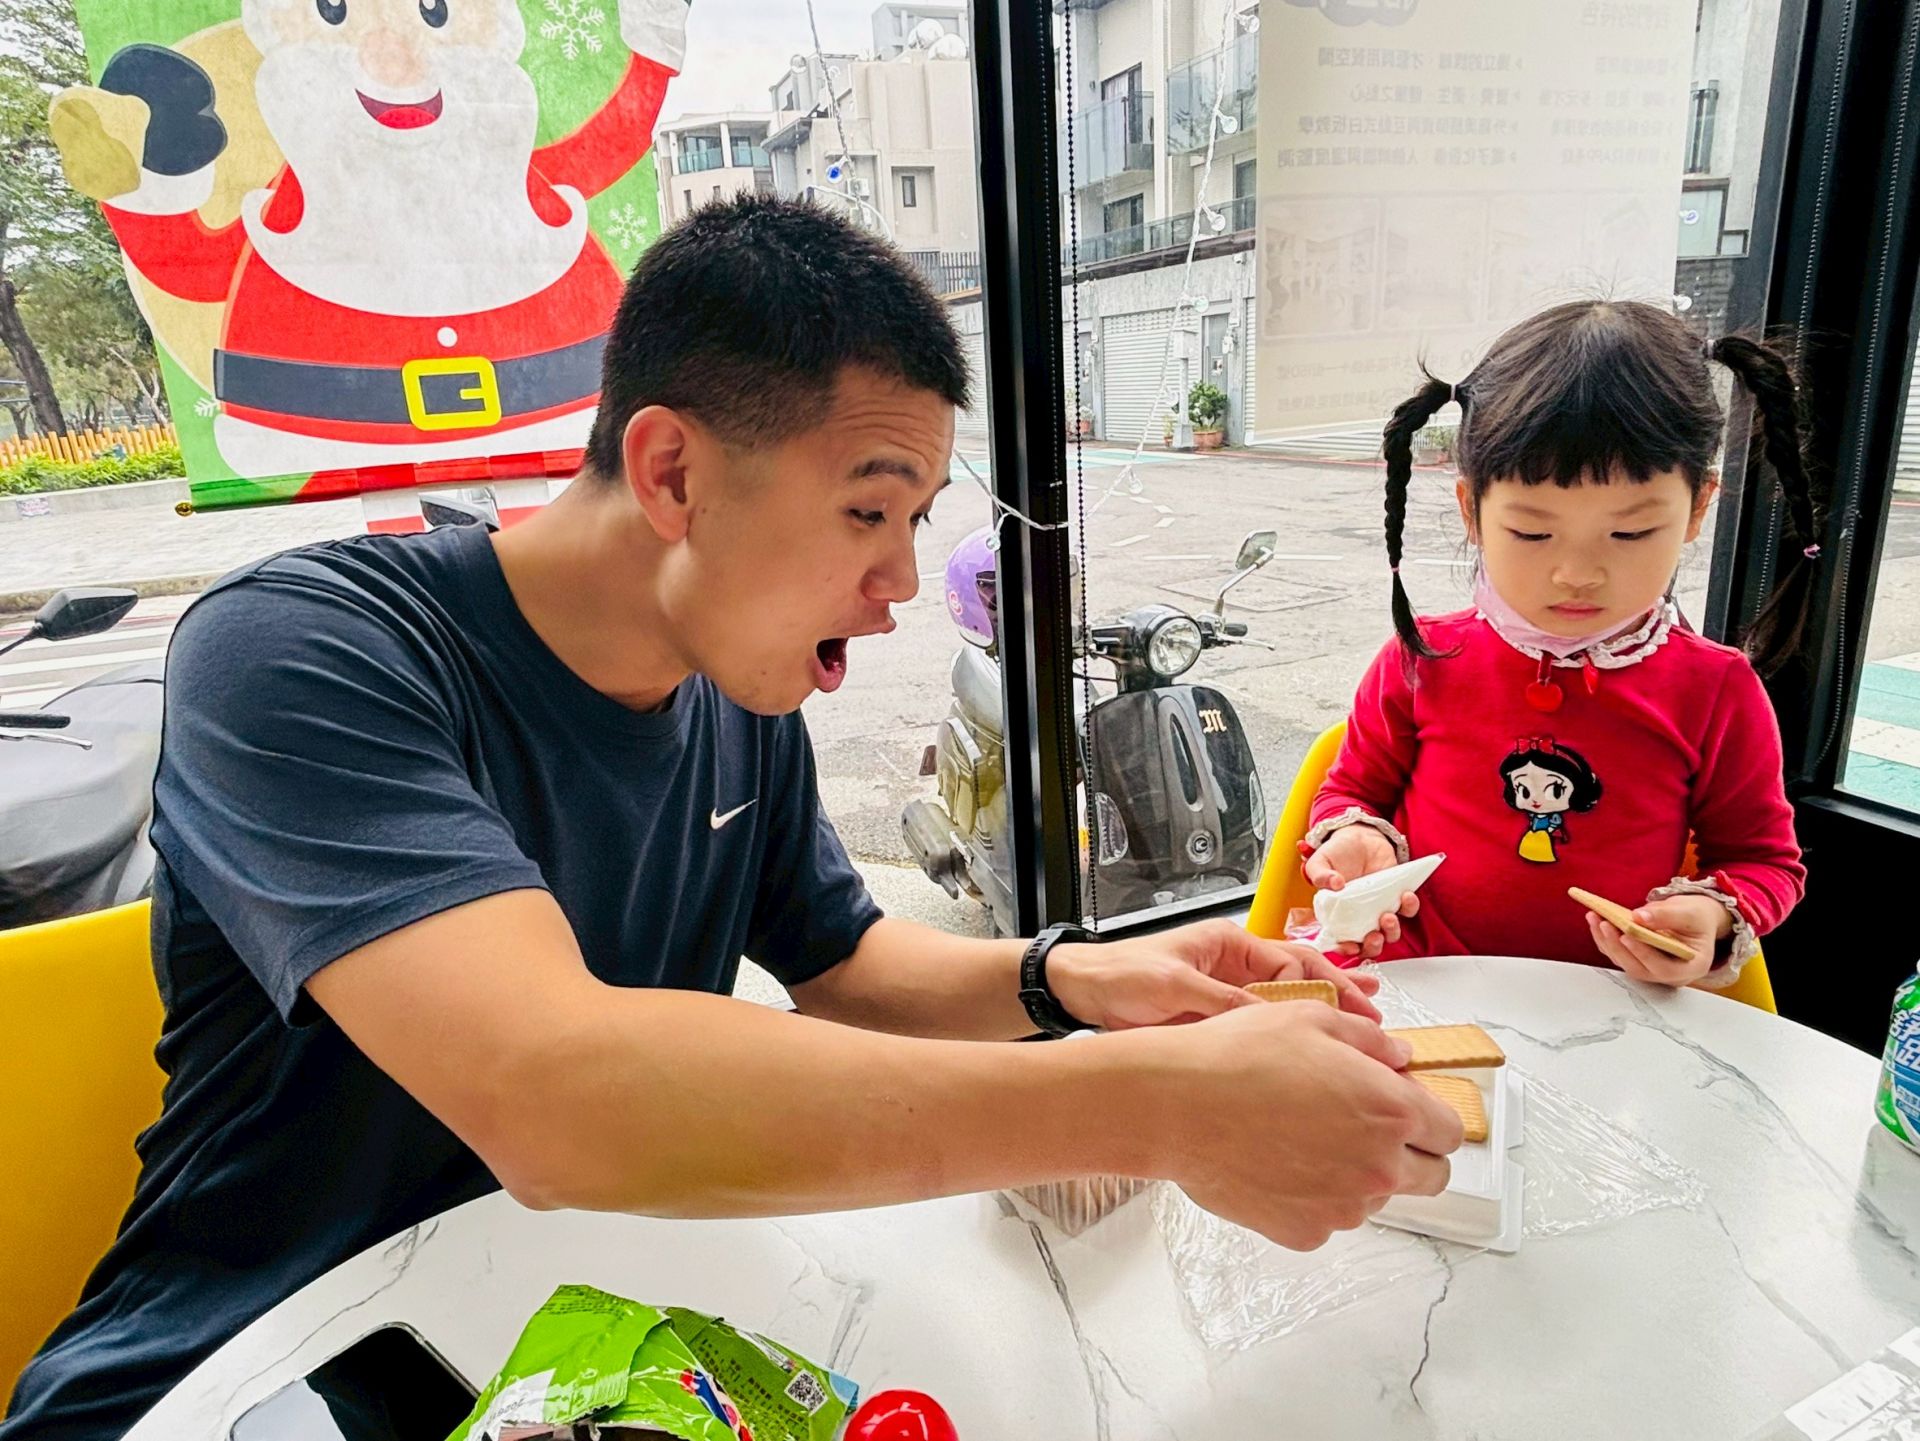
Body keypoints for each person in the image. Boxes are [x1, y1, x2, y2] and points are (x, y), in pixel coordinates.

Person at [3, 196, 1461, 1441]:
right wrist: (1164, 1105)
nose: (902, 583)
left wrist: (1072, 980)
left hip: (594, 1343)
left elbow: (845, 959)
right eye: (868, 511)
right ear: (673, 473)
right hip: (257, 1364)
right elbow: (557, 1099)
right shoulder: (308, 651)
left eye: (914, 522)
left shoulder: (733, 696)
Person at [1303, 299, 1811, 987]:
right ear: (1472, 510)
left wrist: (1712, 916)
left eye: (1630, 533)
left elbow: (1764, 860)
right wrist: (1355, 835)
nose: (1577, 573)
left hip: (1613, 1000)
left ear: (1696, 509)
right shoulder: (1423, 660)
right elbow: (1351, 790)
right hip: (1422, 975)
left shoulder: (1714, 690)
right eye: (1533, 533)